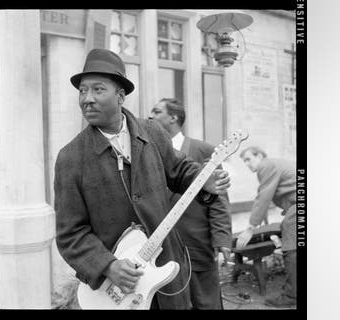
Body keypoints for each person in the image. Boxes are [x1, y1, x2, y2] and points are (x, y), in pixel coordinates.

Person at [54, 49, 231, 310]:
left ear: (121, 96)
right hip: (116, 290)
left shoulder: (153, 132)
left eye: (98, 90)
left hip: (168, 277)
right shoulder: (70, 158)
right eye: (82, 91)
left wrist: (204, 181)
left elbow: (180, 170)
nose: (87, 99)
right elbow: (70, 234)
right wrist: (108, 266)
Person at [149, 98, 232, 309]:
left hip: (197, 243)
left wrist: (222, 239)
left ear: (174, 118)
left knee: (206, 302)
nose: (151, 116)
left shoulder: (204, 150)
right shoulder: (147, 153)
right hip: (161, 248)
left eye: (157, 111)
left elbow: (219, 199)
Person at [235, 146, 297, 308]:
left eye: (248, 159)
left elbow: (263, 197)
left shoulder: (266, 165)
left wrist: (250, 228)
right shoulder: (274, 165)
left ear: (260, 155)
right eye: (244, 161)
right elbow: (268, 196)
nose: (247, 164)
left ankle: (292, 295)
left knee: (291, 248)